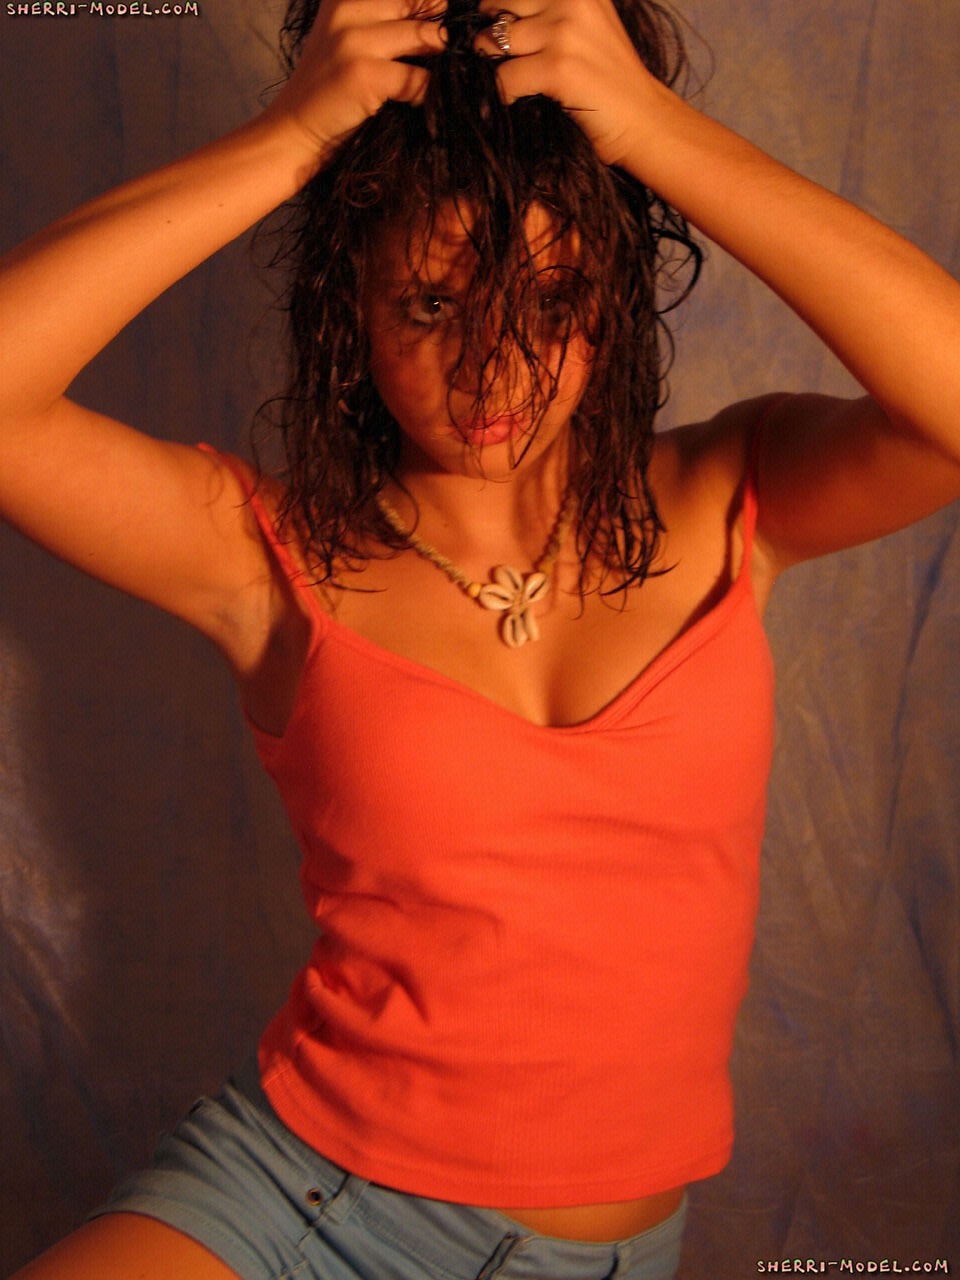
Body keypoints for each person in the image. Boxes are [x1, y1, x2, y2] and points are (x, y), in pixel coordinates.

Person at [2, 0, 959, 1276]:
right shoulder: (266, 556)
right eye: (433, 300)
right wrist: (292, 139)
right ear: (352, 301)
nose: (494, 369)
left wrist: (654, 131)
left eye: (552, 296)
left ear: (612, 288)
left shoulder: (734, 492)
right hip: (300, 1202)